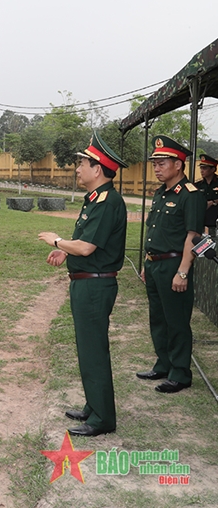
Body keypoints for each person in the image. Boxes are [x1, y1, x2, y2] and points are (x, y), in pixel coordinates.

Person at [39, 132, 128, 436]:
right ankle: (94, 406)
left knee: (93, 350)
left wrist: (57, 239)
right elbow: (85, 243)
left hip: (95, 286)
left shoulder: (106, 201)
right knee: (88, 348)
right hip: (86, 283)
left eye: (82, 164)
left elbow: (88, 248)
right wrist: (64, 250)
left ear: (98, 168)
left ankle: (102, 418)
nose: (77, 169)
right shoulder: (95, 199)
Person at [137, 136, 206, 393]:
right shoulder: (160, 193)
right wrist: (146, 262)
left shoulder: (191, 196)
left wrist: (183, 272)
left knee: (176, 320)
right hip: (155, 264)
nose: (156, 168)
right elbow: (155, 231)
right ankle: (163, 364)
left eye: (162, 163)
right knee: (158, 318)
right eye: (155, 163)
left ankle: (180, 373)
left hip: (175, 265)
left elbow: (192, 237)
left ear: (179, 165)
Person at [195, 153, 218, 230]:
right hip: (202, 223)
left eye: (204, 168)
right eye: (201, 168)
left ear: (213, 169)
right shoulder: (197, 185)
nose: (202, 171)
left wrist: (213, 202)